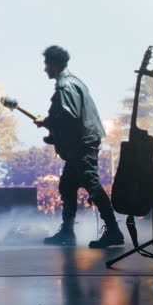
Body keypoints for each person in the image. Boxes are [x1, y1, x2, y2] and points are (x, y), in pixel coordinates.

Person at [34, 45, 124, 248]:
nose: (45, 69)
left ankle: (113, 231)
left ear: (54, 65)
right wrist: (54, 135)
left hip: (81, 145)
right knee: (67, 186)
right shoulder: (76, 82)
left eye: (46, 65)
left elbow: (69, 117)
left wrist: (46, 121)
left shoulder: (65, 86)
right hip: (80, 143)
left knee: (92, 185)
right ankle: (67, 232)